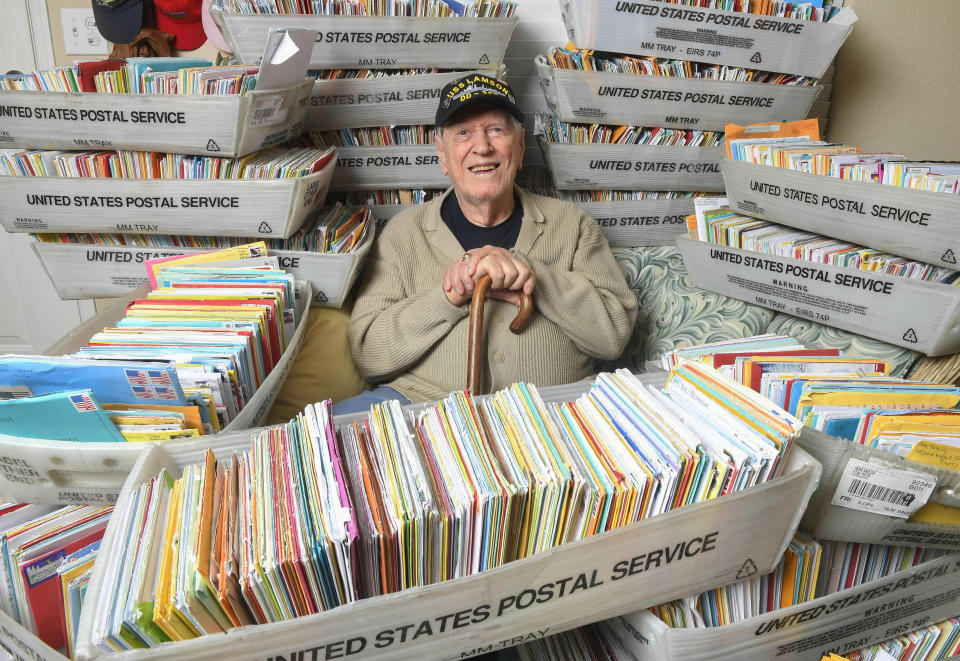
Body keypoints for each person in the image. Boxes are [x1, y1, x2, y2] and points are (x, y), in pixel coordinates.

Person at [336, 74, 638, 414]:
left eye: (495, 129)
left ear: (520, 147)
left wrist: (532, 273)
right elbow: (369, 355)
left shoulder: (573, 224)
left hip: (552, 408)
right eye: (463, 132)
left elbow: (614, 335)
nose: (482, 146)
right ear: (443, 155)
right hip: (426, 406)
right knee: (326, 435)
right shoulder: (403, 233)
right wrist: (447, 298)